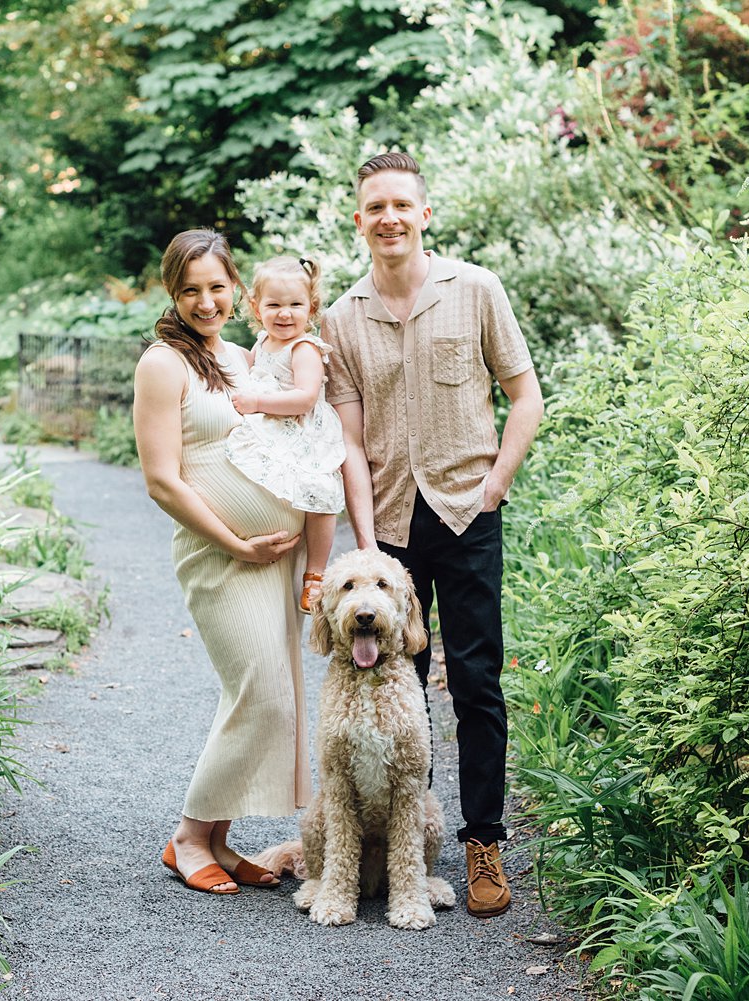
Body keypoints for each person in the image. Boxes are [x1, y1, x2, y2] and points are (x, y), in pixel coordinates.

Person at [323, 152, 544, 918]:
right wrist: (363, 541)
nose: (388, 217)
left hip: (467, 511)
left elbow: (525, 394)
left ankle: (482, 840)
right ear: (360, 220)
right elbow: (349, 437)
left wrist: (498, 483)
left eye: (400, 205)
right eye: (374, 206)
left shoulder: (475, 289)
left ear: (424, 213)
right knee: (393, 685)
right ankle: (401, 842)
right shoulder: (342, 317)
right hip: (387, 522)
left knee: (477, 680)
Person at [133, 229, 311, 895]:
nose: (206, 300)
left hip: (274, 559)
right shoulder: (162, 363)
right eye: (191, 289)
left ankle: (221, 839)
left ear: (235, 286)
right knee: (260, 692)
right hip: (219, 556)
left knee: (267, 697)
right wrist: (235, 540)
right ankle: (186, 836)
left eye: (216, 286)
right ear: (172, 294)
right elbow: (162, 479)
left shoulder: (244, 356)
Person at [224, 256, 345, 614]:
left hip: (306, 431)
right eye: (274, 304)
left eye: (295, 305)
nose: (285, 313)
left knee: (320, 496)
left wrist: (258, 402)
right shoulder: (262, 344)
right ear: (256, 308)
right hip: (275, 426)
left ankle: (316, 575)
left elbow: (305, 399)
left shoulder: (304, 348)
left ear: (312, 307)